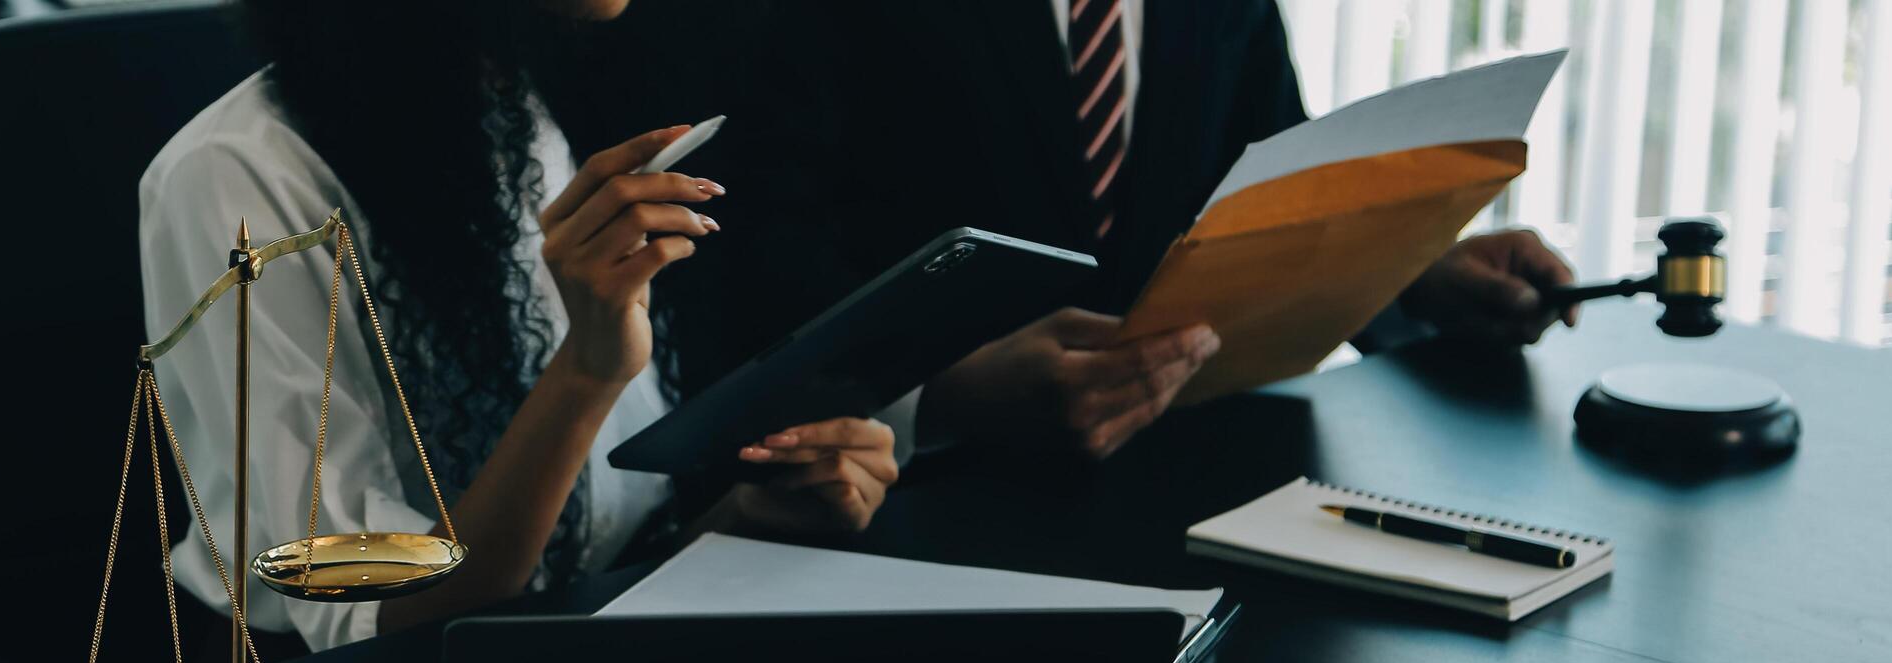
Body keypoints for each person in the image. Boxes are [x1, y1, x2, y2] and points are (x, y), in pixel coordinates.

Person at [138, 0, 899, 653]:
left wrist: (745, 517)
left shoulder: (527, 96)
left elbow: (593, 536)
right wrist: (587, 370)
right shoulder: (235, 180)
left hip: (584, 635)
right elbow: (368, 612)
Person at [549, 0, 1582, 459]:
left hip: (1193, 488)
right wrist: (944, 400)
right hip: (906, 517)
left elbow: (1265, 196)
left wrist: (1415, 275)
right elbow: (755, 254)